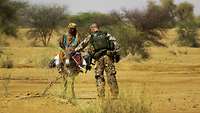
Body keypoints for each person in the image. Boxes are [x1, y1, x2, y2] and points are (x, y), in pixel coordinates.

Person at [75, 23, 120, 98]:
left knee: (99, 76)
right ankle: (115, 94)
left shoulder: (91, 36)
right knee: (111, 75)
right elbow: (116, 45)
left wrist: (75, 50)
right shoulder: (106, 34)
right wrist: (115, 53)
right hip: (108, 57)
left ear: (92, 28)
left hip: (98, 59)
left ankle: (101, 95)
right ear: (98, 28)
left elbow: (82, 45)